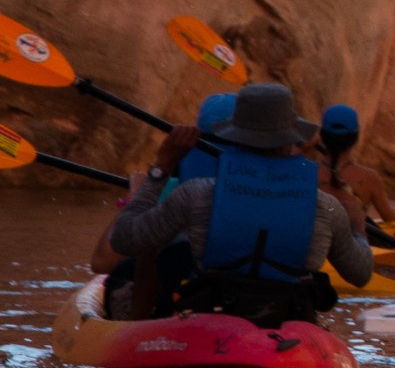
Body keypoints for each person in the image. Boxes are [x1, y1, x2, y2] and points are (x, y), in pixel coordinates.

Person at [107, 82, 374, 326]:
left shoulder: (196, 194)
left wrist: (160, 170)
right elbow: (360, 274)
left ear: (235, 136)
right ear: (292, 140)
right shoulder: (326, 207)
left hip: (212, 320)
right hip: (288, 325)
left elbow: (125, 239)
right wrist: (357, 226)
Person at [89, 90, 239, 317]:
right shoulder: (280, 191)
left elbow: (102, 262)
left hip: (180, 303)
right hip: (248, 302)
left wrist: (139, 195)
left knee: (123, 273)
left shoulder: (179, 190)